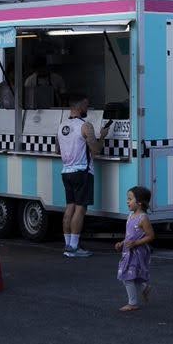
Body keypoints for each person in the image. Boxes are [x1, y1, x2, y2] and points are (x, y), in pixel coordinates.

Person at [59, 93, 111, 257]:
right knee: (80, 209)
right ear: (80, 106)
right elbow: (96, 150)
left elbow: (57, 150)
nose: (87, 108)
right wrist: (102, 136)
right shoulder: (86, 126)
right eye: (86, 105)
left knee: (69, 207)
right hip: (82, 172)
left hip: (66, 171)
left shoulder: (61, 126)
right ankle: (74, 247)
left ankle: (68, 245)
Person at [115, 186, 155, 311]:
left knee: (127, 276)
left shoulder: (143, 218)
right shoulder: (130, 216)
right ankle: (144, 287)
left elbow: (151, 236)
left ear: (139, 202)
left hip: (138, 252)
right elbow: (129, 235)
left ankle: (132, 303)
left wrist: (136, 243)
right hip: (129, 251)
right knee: (131, 274)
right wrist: (122, 243)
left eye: (130, 199)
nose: (127, 201)